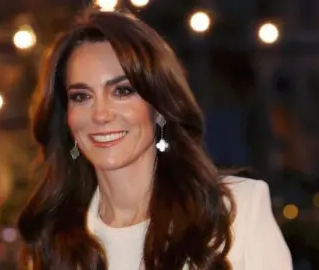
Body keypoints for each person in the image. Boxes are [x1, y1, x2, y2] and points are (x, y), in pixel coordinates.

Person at [18, 8, 292, 270]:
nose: (100, 114)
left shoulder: (236, 212)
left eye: (122, 91)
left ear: (159, 107)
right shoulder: (52, 241)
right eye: (81, 96)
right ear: (67, 118)